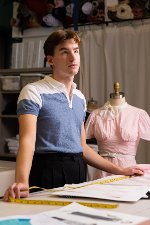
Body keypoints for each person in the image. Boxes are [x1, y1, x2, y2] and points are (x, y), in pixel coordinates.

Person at [4, 30, 144, 201]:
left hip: (78, 170)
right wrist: (22, 181)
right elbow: (27, 141)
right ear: (50, 60)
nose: (73, 57)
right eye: (64, 52)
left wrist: (122, 170)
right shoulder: (33, 91)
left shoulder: (80, 97)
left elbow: (83, 148)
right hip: (47, 170)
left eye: (76, 51)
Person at [85, 82, 150, 179]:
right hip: (103, 171)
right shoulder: (96, 115)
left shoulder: (138, 114)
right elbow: (82, 145)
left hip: (129, 171)